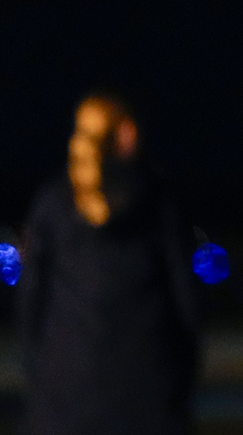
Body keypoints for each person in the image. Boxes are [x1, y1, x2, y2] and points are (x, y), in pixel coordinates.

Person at [18, 92, 202, 435]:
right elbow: (186, 300)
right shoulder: (159, 200)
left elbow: (30, 303)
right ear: (121, 134)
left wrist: (39, 378)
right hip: (149, 395)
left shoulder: (51, 203)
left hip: (65, 398)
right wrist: (183, 380)